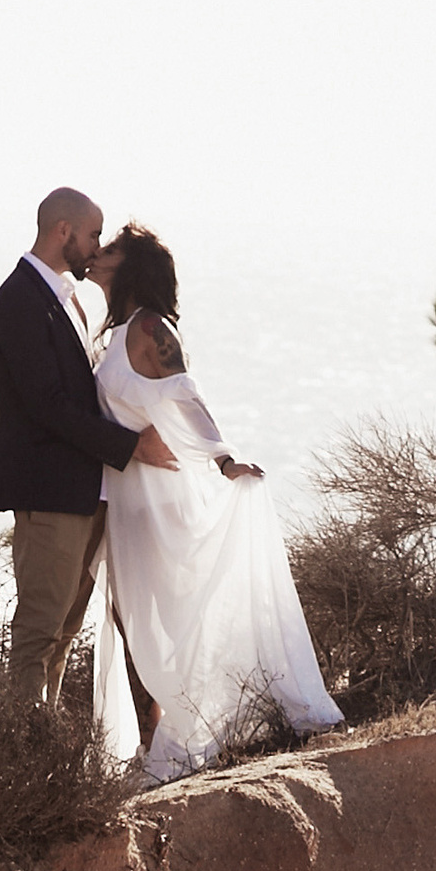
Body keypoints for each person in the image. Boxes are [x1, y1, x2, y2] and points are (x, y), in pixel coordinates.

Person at [87, 225, 341, 781]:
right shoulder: (113, 335)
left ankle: (176, 735)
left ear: (131, 267)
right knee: (133, 620)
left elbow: (187, 394)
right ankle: (162, 735)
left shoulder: (152, 328)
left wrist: (225, 459)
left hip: (160, 498)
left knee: (163, 618)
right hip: (127, 500)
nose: (96, 255)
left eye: (109, 250)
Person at [0, 187, 176, 709]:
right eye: (92, 235)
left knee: (64, 634)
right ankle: (20, 753)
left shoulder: (66, 299)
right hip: (49, 497)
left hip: (85, 494)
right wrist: (130, 447)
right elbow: (48, 405)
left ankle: (45, 763)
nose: (95, 248)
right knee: (39, 632)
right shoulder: (18, 300)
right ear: (62, 230)